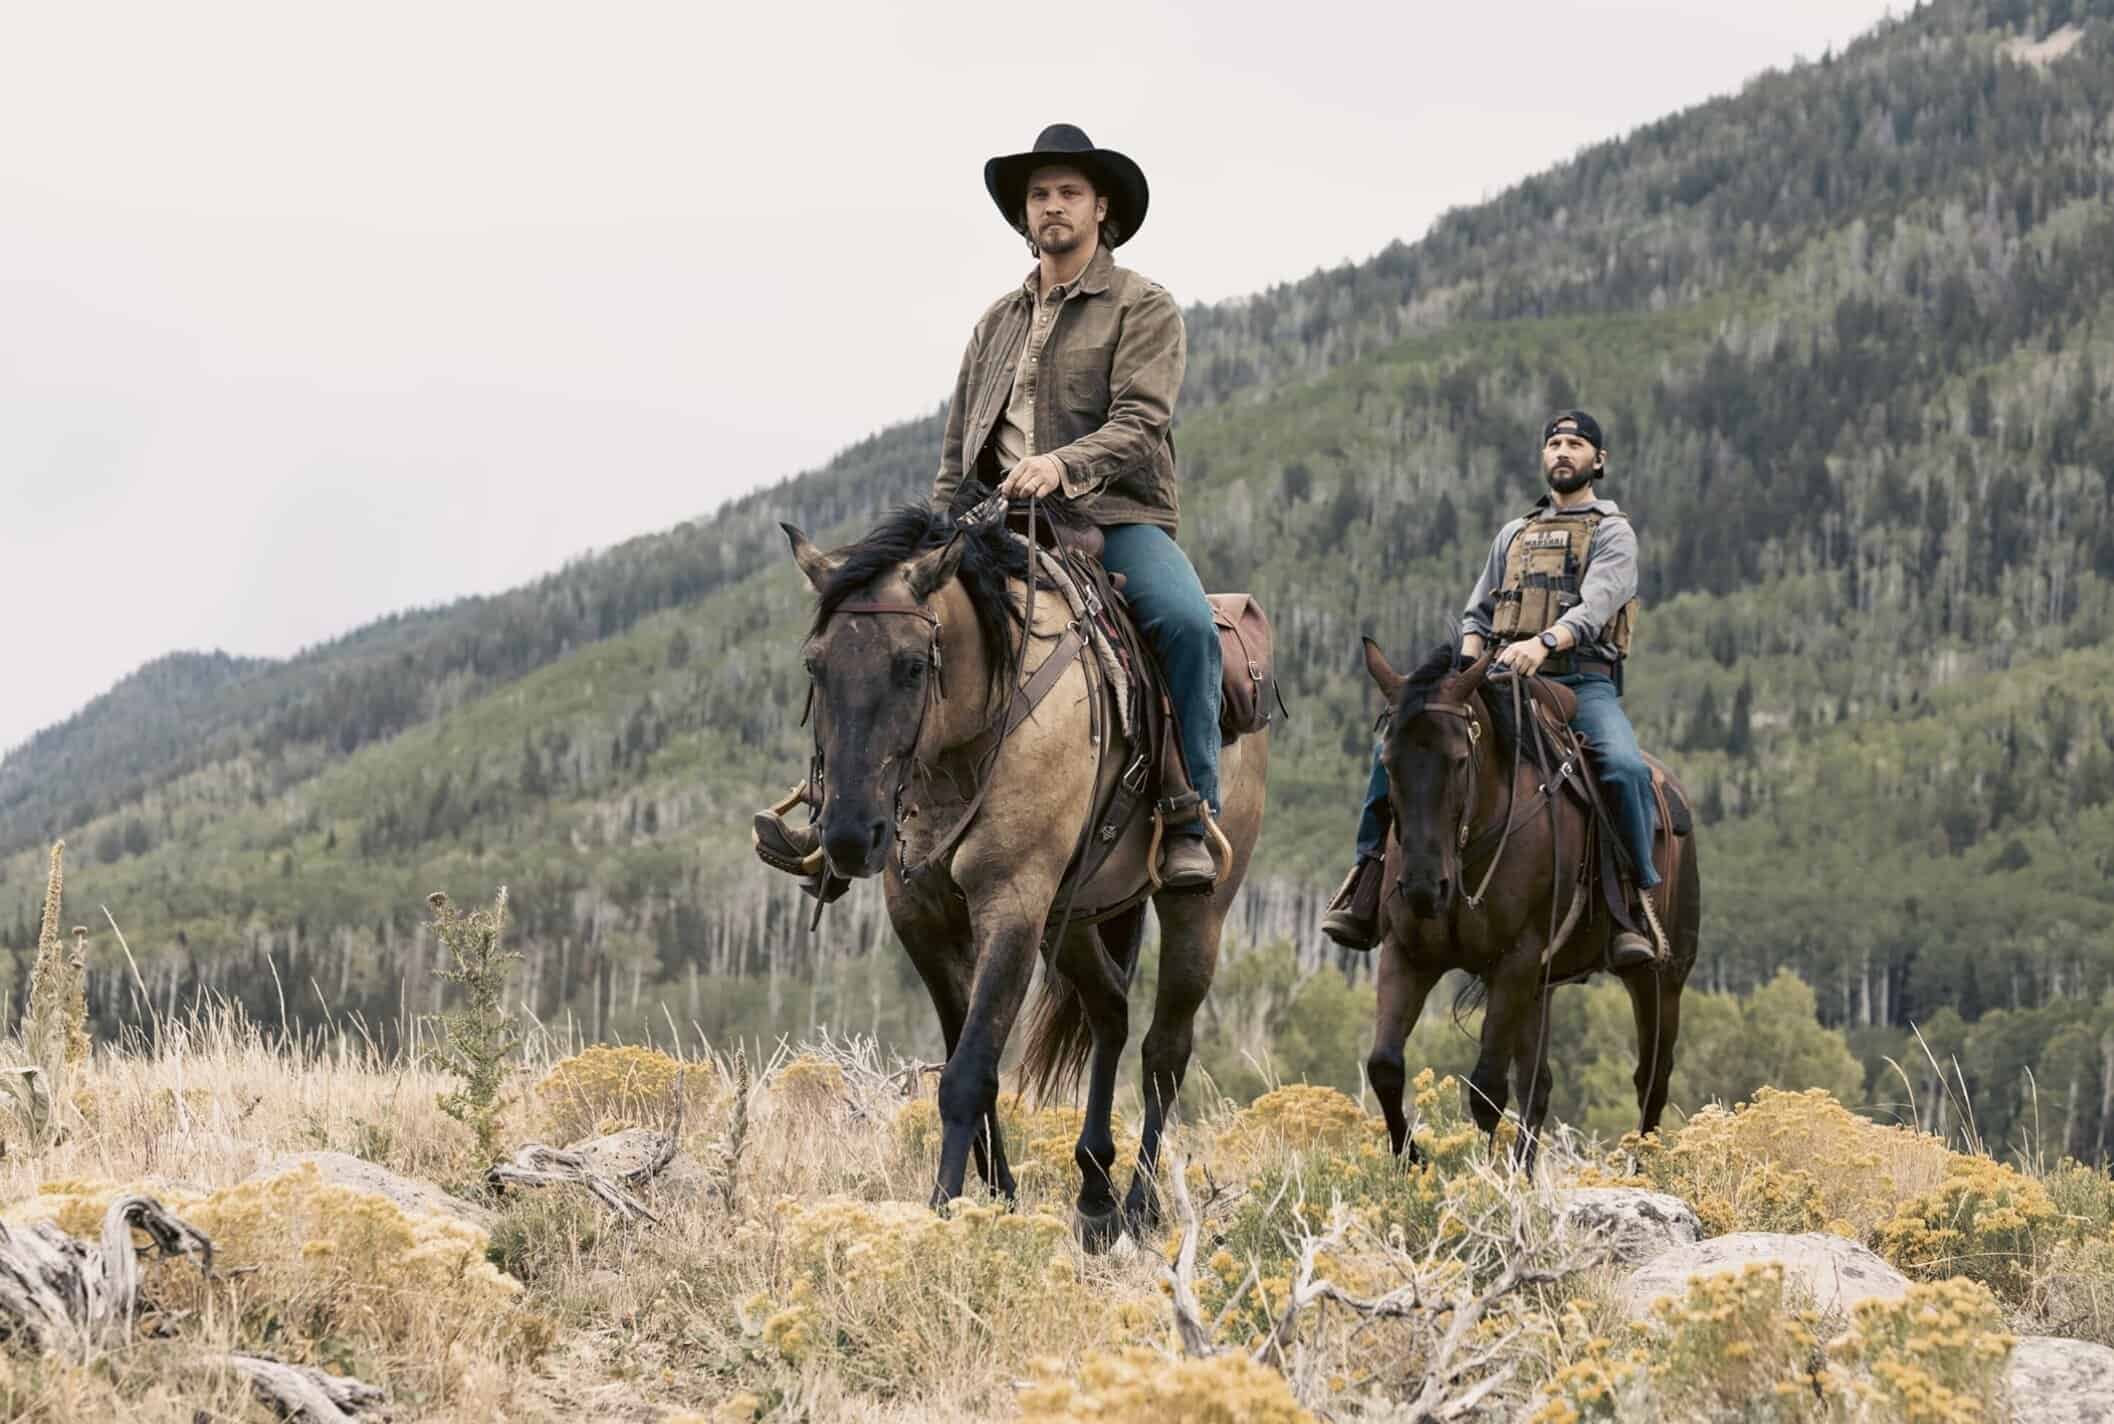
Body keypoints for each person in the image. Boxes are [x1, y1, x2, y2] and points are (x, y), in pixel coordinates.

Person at [756, 124, 1223, 890]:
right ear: (1024, 215)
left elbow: (1141, 425)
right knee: (871, 625)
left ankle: (1187, 810)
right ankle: (840, 812)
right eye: (1040, 195)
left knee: (1187, 624)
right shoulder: (995, 324)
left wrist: (1060, 466)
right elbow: (956, 451)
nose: (1053, 207)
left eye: (1069, 192)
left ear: (1101, 208)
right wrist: (934, 532)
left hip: (1112, 519)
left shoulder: (1143, 307)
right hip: (991, 524)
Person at [1321, 410, 1661, 967]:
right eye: (1554, 443)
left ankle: (1633, 901)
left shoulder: (1612, 531)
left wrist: (1547, 641)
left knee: (1623, 767)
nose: (1562, 451)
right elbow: (1478, 612)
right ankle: (1366, 879)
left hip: (1580, 680)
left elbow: (1600, 601)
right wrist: (1466, 668)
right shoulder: (1514, 534)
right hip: (1499, 679)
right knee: (1404, 748)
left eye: (1575, 444)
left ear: (1597, 461)